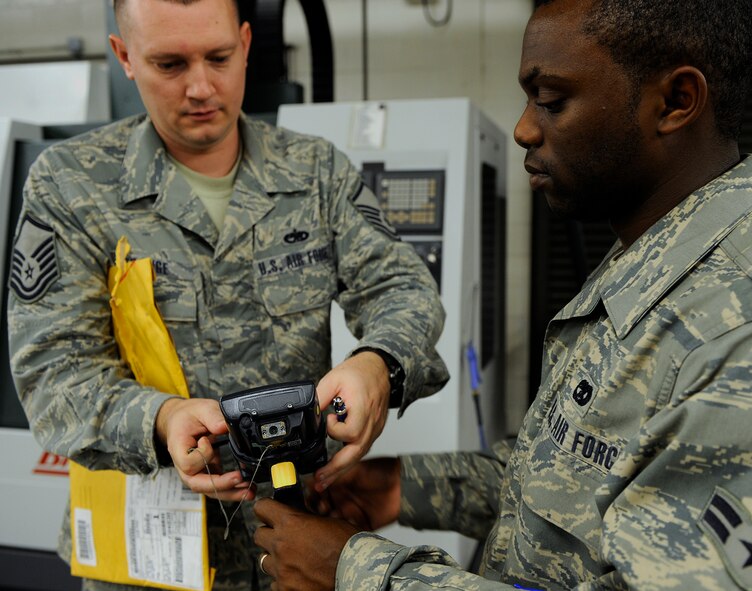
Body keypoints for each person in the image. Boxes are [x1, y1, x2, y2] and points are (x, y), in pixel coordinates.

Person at [252, 0, 752, 589]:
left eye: (551, 101)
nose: (525, 127)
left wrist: (355, 571)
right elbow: (575, 473)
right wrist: (402, 485)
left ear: (676, 101)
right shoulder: (645, 266)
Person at [7, 0, 448, 589]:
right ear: (124, 57)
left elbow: (403, 288)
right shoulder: (71, 184)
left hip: (294, 545)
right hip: (146, 556)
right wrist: (160, 419)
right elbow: (51, 372)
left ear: (245, 44)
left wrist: (379, 366)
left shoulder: (315, 172)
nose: (200, 86)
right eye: (169, 63)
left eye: (218, 57)